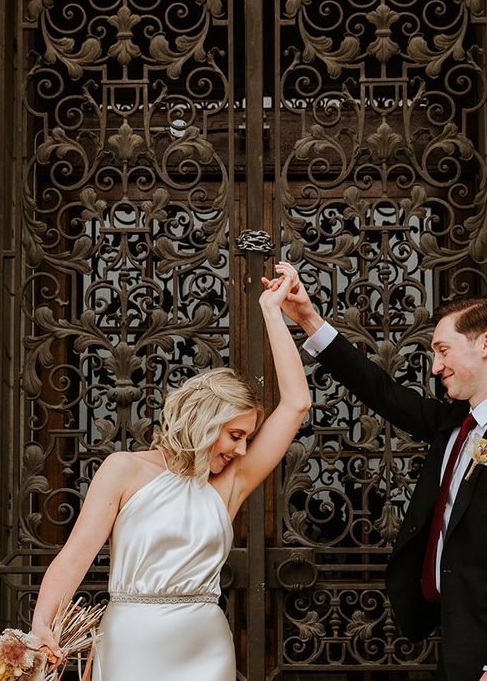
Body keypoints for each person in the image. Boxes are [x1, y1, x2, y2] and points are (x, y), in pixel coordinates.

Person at [263, 273, 487, 681]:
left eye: (443, 350)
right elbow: (380, 391)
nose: (436, 366)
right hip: (453, 644)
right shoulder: (452, 424)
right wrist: (308, 319)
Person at [30, 262, 310, 680]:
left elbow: (296, 404)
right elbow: (74, 558)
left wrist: (272, 311)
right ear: (205, 423)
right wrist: (42, 626)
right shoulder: (123, 469)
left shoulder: (228, 485)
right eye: (235, 435)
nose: (242, 449)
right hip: (131, 643)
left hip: (204, 646)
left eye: (248, 438)